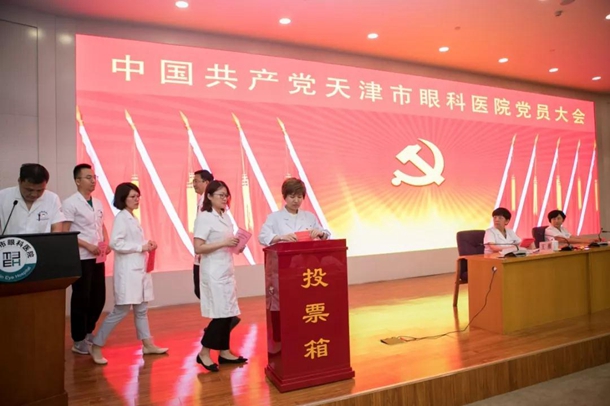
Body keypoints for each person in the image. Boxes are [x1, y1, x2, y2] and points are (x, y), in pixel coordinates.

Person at [90, 182, 167, 365]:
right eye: (133, 197)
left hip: (138, 270)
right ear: (123, 199)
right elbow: (116, 243)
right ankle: (96, 345)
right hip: (128, 272)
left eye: (138, 196)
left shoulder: (132, 217)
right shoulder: (121, 218)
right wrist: (141, 246)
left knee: (141, 310)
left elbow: (133, 241)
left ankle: (147, 344)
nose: (136, 199)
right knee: (120, 311)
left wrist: (147, 244)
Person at [193, 180, 247, 372]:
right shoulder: (205, 217)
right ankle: (204, 352)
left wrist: (237, 246)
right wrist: (224, 243)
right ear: (209, 196)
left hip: (226, 269)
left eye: (226, 195)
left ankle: (224, 352)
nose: (224, 199)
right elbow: (198, 247)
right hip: (213, 271)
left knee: (229, 313)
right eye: (220, 195)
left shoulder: (225, 216)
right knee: (221, 315)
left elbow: (227, 244)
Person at [63, 164, 111, 355]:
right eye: (88, 177)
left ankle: (89, 330)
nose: (93, 181)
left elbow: (101, 225)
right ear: (77, 181)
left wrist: (106, 241)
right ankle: (78, 339)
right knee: (81, 297)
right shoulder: (70, 203)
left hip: (98, 256)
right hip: (82, 257)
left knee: (98, 297)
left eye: (94, 177)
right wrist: (87, 245)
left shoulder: (97, 203)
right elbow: (66, 232)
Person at [258, 177, 330, 246]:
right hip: (284, 253)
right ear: (284, 196)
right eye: (292, 197)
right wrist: (281, 237)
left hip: (307, 253)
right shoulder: (273, 217)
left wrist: (321, 234)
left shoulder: (310, 217)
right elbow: (262, 237)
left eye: (299, 197)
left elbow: (326, 235)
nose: (296, 201)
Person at [0, 163, 65, 235]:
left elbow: (56, 231)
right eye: (29, 190)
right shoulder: (3, 197)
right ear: (19, 181)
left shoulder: (52, 199)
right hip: (11, 242)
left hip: (43, 242)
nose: (34, 194)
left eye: (40, 190)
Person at [192, 169, 214, 299]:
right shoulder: (201, 201)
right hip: (201, 251)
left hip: (207, 252)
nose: (194, 184)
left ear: (206, 182)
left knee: (204, 291)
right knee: (201, 291)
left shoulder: (210, 203)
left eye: (196, 181)